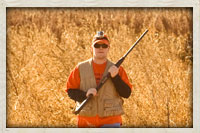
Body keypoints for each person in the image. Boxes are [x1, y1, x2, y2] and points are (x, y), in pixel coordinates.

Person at [66, 31, 132, 128]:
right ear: (91, 48)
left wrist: (116, 77)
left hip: (111, 122)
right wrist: (85, 94)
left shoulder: (117, 69)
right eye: (97, 45)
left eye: (104, 46)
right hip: (86, 122)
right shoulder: (80, 68)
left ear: (108, 48)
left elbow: (126, 93)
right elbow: (70, 91)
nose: (101, 48)